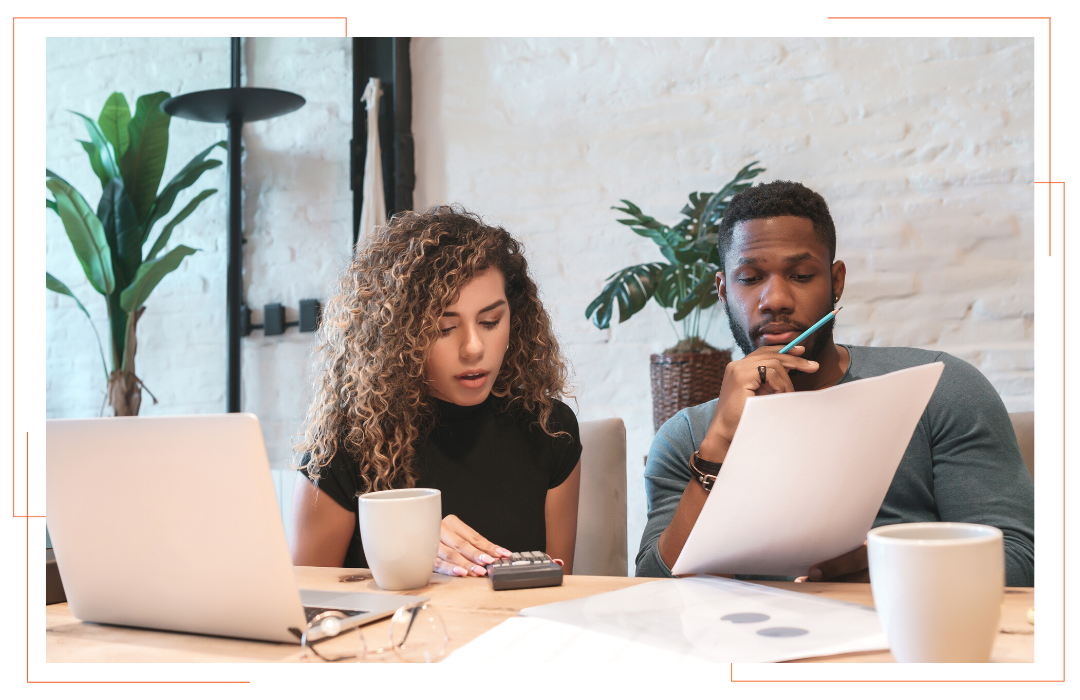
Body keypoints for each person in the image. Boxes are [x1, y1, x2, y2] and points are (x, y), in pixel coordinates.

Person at [635, 181, 1036, 587]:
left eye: (801, 274)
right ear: (723, 291)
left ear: (836, 281)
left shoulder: (941, 389)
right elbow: (653, 590)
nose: (775, 299)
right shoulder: (687, 438)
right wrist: (720, 440)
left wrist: (893, 573)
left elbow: (1020, 562)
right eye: (751, 278)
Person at [291, 206, 582, 577]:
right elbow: (306, 604)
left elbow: (559, 591)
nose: (474, 347)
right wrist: (404, 550)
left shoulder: (548, 428)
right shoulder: (347, 443)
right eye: (445, 328)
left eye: (491, 321)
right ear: (399, 336)